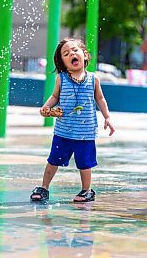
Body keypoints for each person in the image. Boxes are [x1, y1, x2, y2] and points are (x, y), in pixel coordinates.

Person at [30, 38, 115, 203]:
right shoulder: (61, 79)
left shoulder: (93, 79)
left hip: (85, 133)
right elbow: (55, 96)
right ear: (63, 62)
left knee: (85, 164)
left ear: (84, 54)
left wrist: (107, 117)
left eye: (75, 50)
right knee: (53, 160)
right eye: (66, 54)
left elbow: (100, 99)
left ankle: (86, 190)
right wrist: (46, 108)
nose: (72, 54)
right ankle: (44, 188)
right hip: (63, 131)